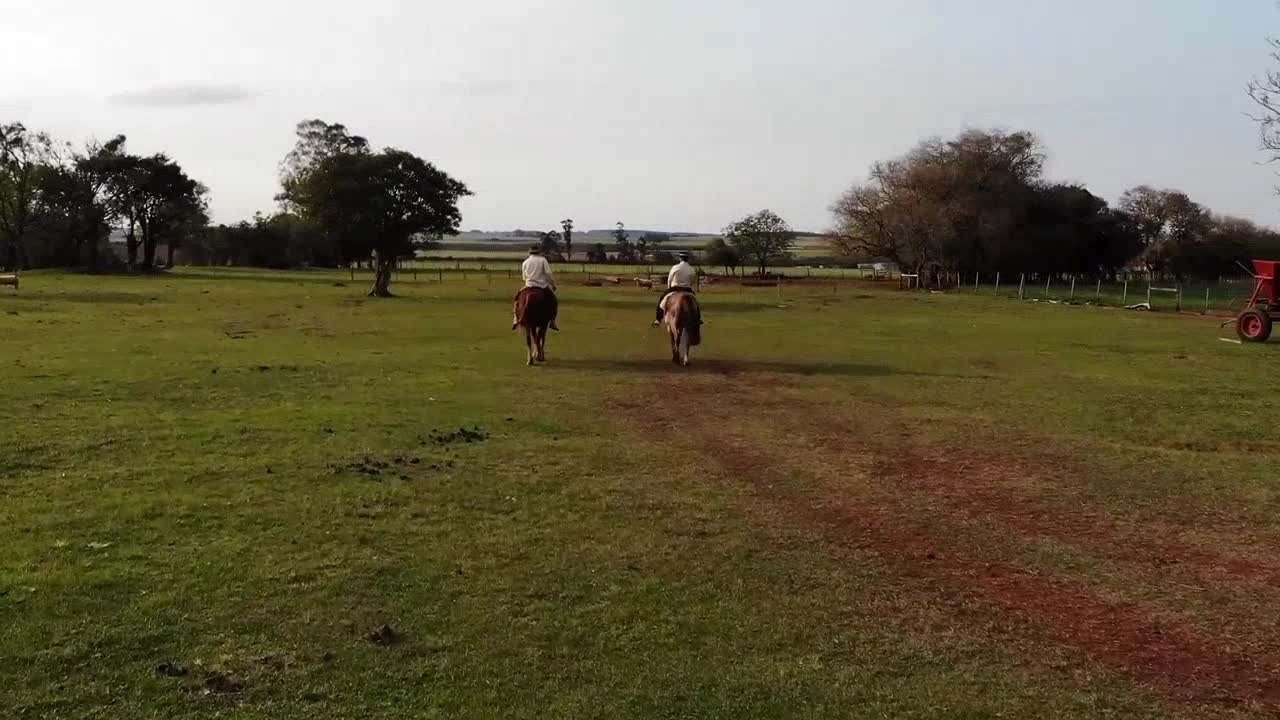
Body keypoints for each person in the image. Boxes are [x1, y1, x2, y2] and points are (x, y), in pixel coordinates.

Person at [513, 245, 560, 331]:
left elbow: (524, 277)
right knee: (554, 300)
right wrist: (552, 284)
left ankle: (516, 318)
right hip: (541, 286)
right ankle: (552, 321)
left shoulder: (525, 262)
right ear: (539, 252)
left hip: (529, 285)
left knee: (516, 299)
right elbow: (548, 273)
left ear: (529, 252)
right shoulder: (542, 260)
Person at [654, 250, 698, 326]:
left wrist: (668, 287)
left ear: (680, 258)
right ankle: (698, 318)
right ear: (688, 259)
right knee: (695, 303)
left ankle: (658, 319)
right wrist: (688, 285)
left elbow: (670, 279)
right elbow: (693, 280)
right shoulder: (691, 269)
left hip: (675, 288)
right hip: (687, 288)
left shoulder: (675, 267)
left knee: (662, 299)